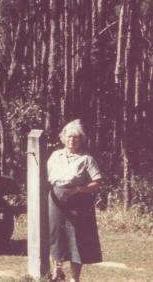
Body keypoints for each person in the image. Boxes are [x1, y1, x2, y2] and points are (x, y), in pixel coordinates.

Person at [47, 119, 103, 282]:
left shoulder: (87, 159)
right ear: (64, 138)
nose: (72, 140)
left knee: (75, 238)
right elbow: (45, 177)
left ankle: (75, 278)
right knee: (55, 235)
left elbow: (97, 183)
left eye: (76, 137)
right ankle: (57, 272)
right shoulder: (55, 156)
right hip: (56, 199)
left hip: (78, 201)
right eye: (69, 136)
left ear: (81, 139)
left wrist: (78, 190)